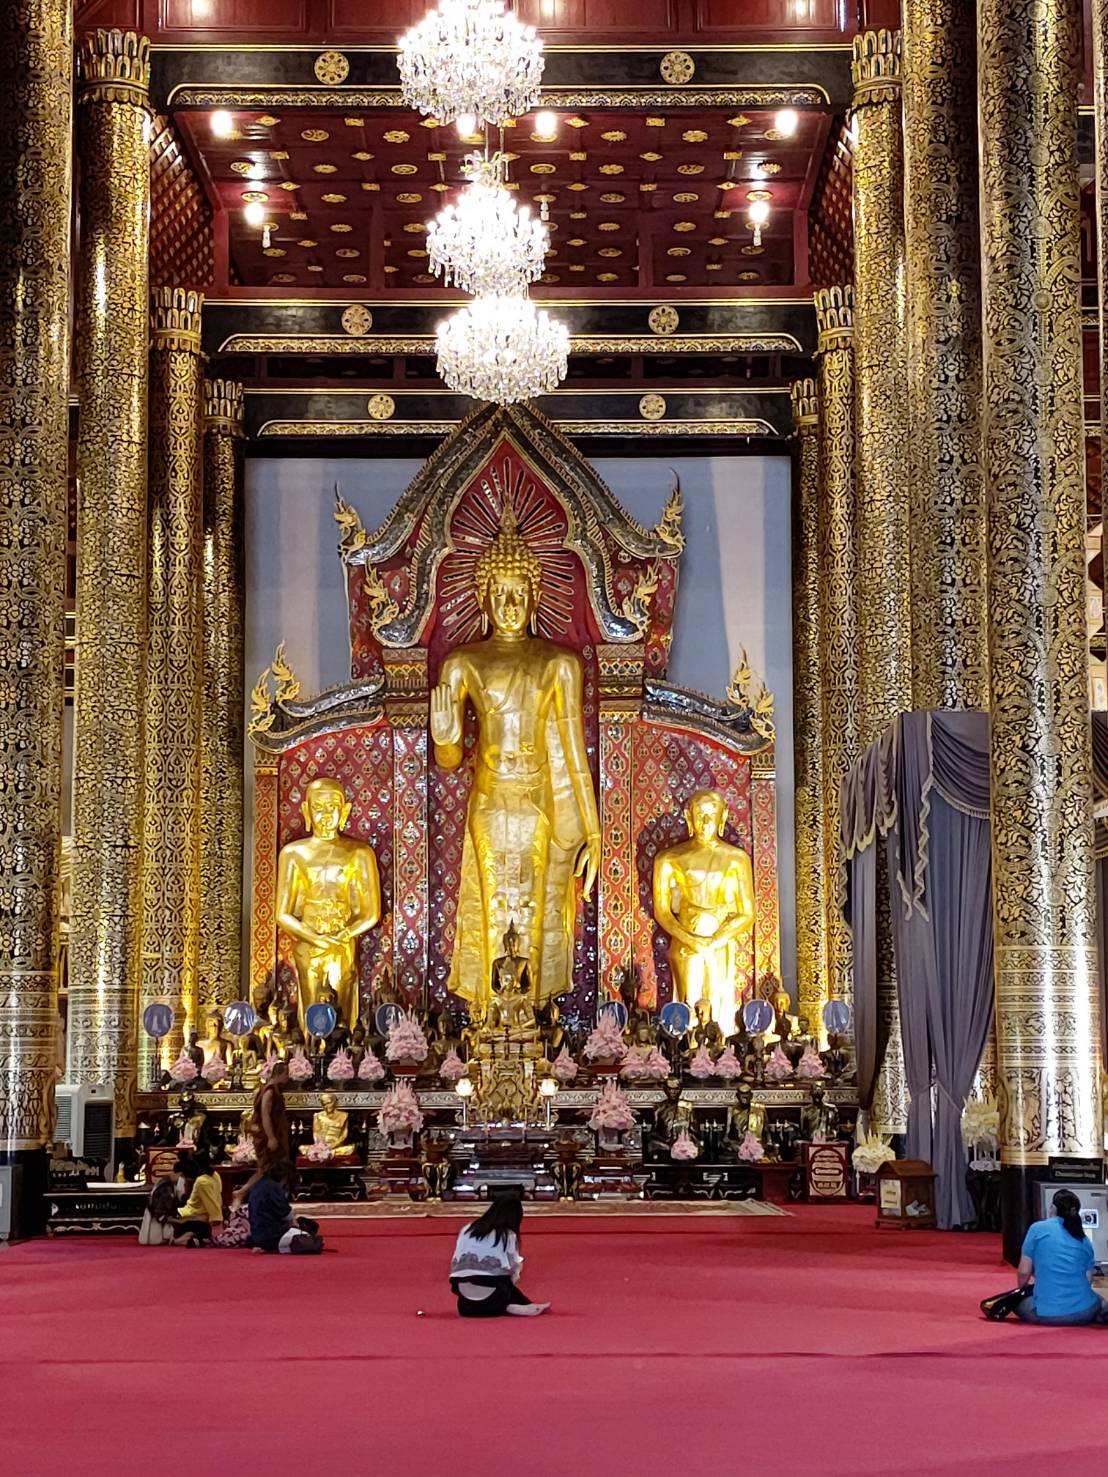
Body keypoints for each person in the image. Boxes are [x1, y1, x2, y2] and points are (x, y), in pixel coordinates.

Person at [985, 1190, 1107, 1324]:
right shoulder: (1084, 1240)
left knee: (1016, 1301)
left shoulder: (1037, 1229)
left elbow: (1024, 1271)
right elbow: (1087, 1280)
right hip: (1084, 1312)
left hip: (1046, 1313)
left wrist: (1022, 1290)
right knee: (1097, 1300)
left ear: (1052, 1208)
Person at [448, 1195, 549, 1318]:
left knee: (479, 1284)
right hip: (494, 1294)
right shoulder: (508, 1235)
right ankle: (507, 1306)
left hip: (465, 1303)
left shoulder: (467, 1229)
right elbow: (512, 1271)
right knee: (507, 1278)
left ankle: (500, 1306)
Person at [233, 1059, 291, 1206]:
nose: (288, 1077)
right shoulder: (270, 1091)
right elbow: (265, 1115)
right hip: (267, 1136)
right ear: (280, 1073)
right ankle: (243, 1191)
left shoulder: (275, 1089)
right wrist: (271, 1137)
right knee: (266, 1168)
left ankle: (275, 1196)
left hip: (276, 1134)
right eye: (287, 1073)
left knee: (280, 1167)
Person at [246, 1167, 323, 1255]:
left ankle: (267, 1246)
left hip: (256, 1235)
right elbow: (285, 1212)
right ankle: (275, 1247)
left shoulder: (258, 1184)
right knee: (310, 1234)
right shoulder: (273, 1187)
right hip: (272, 1235)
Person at [169, 1153, 224, 1245]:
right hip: (191, 1216)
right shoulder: (215, 1175)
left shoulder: (202, 1181)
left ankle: (182, 1238)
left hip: (197, 1217)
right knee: (203, 1229)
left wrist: (216, 1223)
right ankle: (180, 1238)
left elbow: (213, 1208)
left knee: (204, 1228)